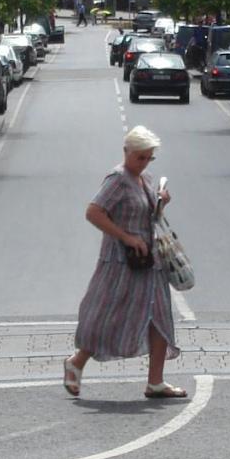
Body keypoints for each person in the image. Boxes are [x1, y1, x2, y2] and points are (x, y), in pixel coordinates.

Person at [64, 125, 184, 400]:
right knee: (108, 317)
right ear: (126, 152)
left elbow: (146, 216)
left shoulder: (145, 179)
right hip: (121, 263)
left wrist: (161, 203)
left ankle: (156, 381)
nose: (143, 163)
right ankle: (77, 361)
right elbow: (93, 213)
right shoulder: (117, 179)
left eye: (148, 158)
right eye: (139, 157)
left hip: (149, 262)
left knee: (160, 317)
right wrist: (127, 238)